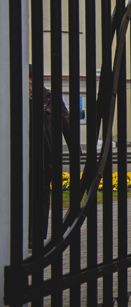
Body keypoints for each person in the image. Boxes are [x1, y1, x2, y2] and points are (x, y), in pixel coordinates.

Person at [29, 65, 78, 247]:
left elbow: (67, 124)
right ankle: (25, 234)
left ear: (33, 80)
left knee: (40, 196)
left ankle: (36, 237)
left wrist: (76, 153)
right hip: (23, 156)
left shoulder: (51, 100)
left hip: (44, 156)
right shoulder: (18, 98)